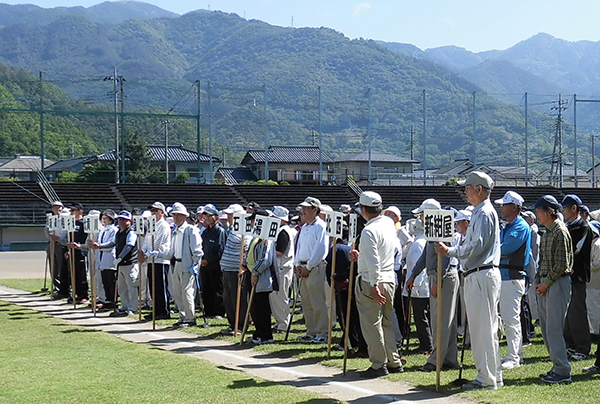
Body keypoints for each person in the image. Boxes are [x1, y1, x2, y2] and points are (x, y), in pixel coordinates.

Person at [436, 171, 502, 390]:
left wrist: (452, 251)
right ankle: (492, 375)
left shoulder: (483, 213)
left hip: (481, 273)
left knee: (482, 329)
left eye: (468, 187)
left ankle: (486, 377)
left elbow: (477, 245)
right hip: (481, 273)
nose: (465, 191)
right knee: (486, 328)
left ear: (479, 189)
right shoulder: (481, 212)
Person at [349, 191, 404, 378]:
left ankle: (378, 364)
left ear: (363, 210)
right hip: (389, 279)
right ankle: (393, 360)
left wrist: (373, 285)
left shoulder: (368, 230)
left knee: (371, 324)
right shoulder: (388, 224)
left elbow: (373, 261)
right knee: (387, 322)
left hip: (372, 280)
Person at [408, 199, 460, 372]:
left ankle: (435, 359)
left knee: (441, 320)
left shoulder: (442, 229)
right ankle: (449, 359)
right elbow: (425, 256)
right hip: (437, 276)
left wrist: (438, 281)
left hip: (443, 277)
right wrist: (413, 275)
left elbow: (445, 257)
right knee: (444, 321)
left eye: (422, 214)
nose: (420, 218)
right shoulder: (432, 230)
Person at [530, 195, 573, 384]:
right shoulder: (547, 232)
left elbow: (562, 264)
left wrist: (545, 283)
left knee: (554, 329)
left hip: (557, 283)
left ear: (549, 211)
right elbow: (543, 262)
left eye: (539, 210)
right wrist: (539, 282)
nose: (536, 214)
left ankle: (563, 371)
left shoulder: (560, 232)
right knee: (547, 329)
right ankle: (557, 366)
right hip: (547, 285)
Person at [150, 203, 204, 327]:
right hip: (176, 264)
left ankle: (190, 318)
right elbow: (171, 252)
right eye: (174, 215)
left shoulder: (191, 230)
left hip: (188, 265)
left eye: (178, 215)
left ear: (185, 216)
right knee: (177, 292)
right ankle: (182, 316)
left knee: (187, 292)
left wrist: (195, 265)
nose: (175, 218)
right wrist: (158, 254)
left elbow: (197, 250)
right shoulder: (175, 231)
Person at [494, 191, 531, 370]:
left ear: (514, 206)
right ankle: (516, 354)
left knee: (511, 319)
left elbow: (505, 248)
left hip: (511, 277)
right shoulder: (508, 226)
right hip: (505, 276)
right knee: (509, 318)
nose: (501, 207)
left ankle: (513, 357)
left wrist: (492, 252)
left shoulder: (520, 226)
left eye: (504, 204)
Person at [561, 194, 593, 361]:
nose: (563, 211)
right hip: (566, 276)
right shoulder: (567, 226)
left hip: (577, 276)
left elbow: (576, 252)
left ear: (574, 208)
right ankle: (571, 345)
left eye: (565, 208)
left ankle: (582, 347)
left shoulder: (584, 228)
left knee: (577, 313)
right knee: (567, 313)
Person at [294, 196, 330, 344]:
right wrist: (297, 264)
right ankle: (311, 330)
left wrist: (309, 266)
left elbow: (321, 249)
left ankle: (322, 332)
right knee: (306, 302)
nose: (302, 211)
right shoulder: (305, 227)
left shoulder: (321, 226)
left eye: (306, 209)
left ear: (315, 209)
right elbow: (299, 247)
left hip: (314, 267)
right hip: (302, 267)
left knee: (317, 301)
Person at [243, 209, 277, 344]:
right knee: (255, 307)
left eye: (253, 220)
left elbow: (265, 259)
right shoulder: (256, 237)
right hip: (252, 274)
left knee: (261, 307)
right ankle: (258, 333)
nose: (251, 223)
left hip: (261, 277)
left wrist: (255, 272)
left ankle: (266, 335)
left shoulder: (265, 238)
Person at [219, 203, 251, 335]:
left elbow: (247, 248)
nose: (228, 217)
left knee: (238, 298)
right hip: (227, 268)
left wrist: (243, 266)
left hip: (236, 270)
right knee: (228, 298)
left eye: (231, 214)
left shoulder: (245, 231)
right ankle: (232, 324)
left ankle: (241, 324)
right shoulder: (232, 229)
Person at [139, 202, 172, 320]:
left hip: (160, 259)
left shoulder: (164, 226)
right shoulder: (151, 225)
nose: (153, 213)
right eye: (152, 210)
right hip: (151, 260)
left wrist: (146, 254)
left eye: (155, 210)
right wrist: (143, 251)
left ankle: (163, 311)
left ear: (162, 213)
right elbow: (148, 240)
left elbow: (158, 243)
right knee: (152, 286)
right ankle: (156, 310)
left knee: (161, 287)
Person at [269, 206, 297, 333]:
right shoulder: (284, 230)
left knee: (280, 297)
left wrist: (267, 253)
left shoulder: (283, 231)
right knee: (276, 297)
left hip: (283, 267)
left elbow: (280, 251)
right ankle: (280, 322)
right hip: (280, 267)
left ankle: (283, 325)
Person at [200, 204, 227, 318]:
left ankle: (218, 312)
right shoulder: (205, 232)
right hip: (204, 265)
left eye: (209, 216)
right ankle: (208, 311)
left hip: (215, 266)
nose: (206, 218)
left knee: (217, 289)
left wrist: (209, 260)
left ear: (216, 217)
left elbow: (219, 249)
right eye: (205, 216)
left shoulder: (219, 231)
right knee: (206, 289)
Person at [64, 203, 90, 303]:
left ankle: (84, 295)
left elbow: (86, 237)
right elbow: (69, 238)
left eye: (73, 210)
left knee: (81, 274)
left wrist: (80, 245)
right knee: (73, 273)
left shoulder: (83, 223)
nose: (71, 213)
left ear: (80, 211)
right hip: (72, 251)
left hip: (81, 251)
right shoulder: (71, 223)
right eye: (70, 211)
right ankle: (75, 293)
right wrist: (68, 249)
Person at [45, 201, 69, 299]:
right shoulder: (51, 219)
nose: (58, 209)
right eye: (55, 207)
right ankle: (56, 286)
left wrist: (60, 239)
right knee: (53, 266)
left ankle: (63, 287)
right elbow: (47, 230)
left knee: (61, 266)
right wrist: (50, 237)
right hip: (52, 244)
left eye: (59, 207)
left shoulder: (65, 218)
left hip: (62, 244)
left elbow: (67, 232)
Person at [95, 210, 118, 309]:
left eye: (106, 218)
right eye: (103, 218)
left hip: (110, 258)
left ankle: (112, 301)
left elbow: (111, 244)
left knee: (110, 281)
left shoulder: (114, 230)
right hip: (102, 258)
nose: (103, 220)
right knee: (105, 281)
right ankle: (107, 299)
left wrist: (99, 246)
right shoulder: (102, 230)